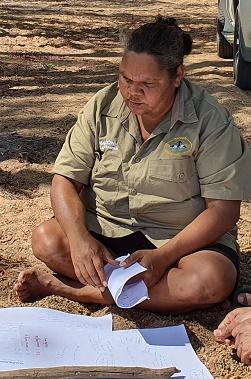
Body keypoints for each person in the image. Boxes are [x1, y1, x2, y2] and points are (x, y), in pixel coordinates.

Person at [14, 17, 251, 315]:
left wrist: (163, 257)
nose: (132, 92)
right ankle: (146, 290)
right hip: (106, 231)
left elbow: (224, 211)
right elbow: (65, 181)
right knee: (46, 241)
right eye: (125, 79)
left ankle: (73, 289)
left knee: (209, 281)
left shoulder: (211, 121)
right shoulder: (102, 105)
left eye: (148, 84)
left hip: (179, 242)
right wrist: (80, 240)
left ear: (178, 76)